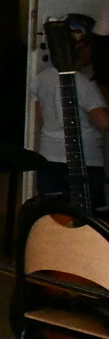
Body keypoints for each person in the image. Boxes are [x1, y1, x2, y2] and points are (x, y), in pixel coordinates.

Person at [31, 13, 108, 210]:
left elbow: (40, 118)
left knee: (53, 212)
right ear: (81, 47)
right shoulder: (84, 83)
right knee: (89, 215)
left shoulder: (42, 79)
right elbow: (103, 122)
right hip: (84, 160)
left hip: (48, 157)